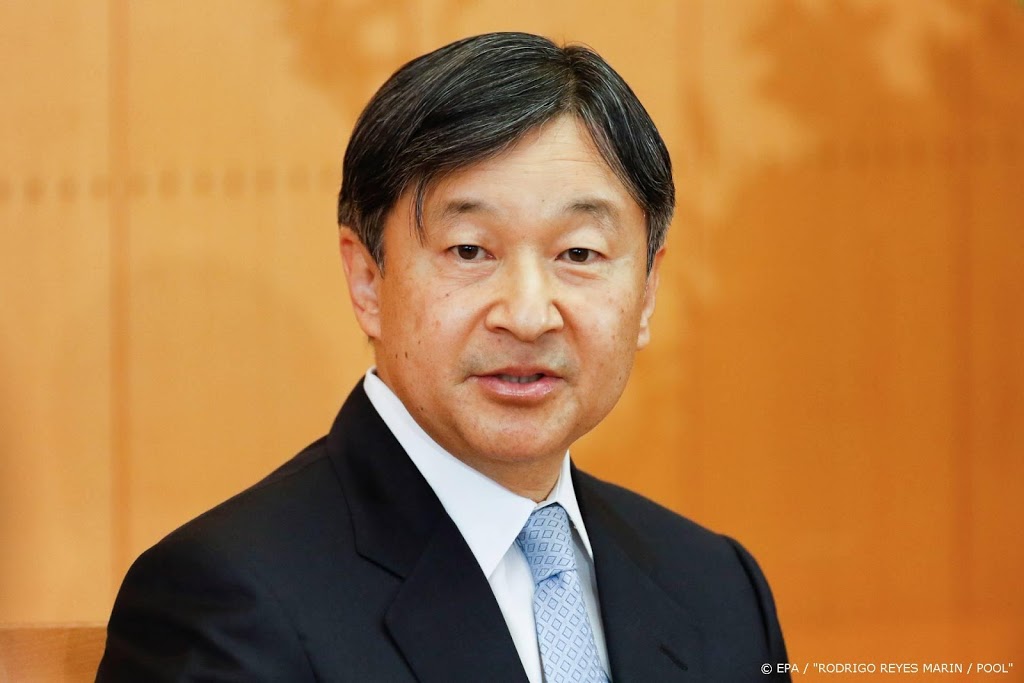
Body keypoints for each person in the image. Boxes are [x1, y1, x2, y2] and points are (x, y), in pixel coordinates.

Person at [97, 32, 789, 682]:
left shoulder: (720, 588)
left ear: (647, 292)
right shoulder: (226, 599)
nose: (528, 315)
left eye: (579, 253)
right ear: (368, 280)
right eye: (470, 250)